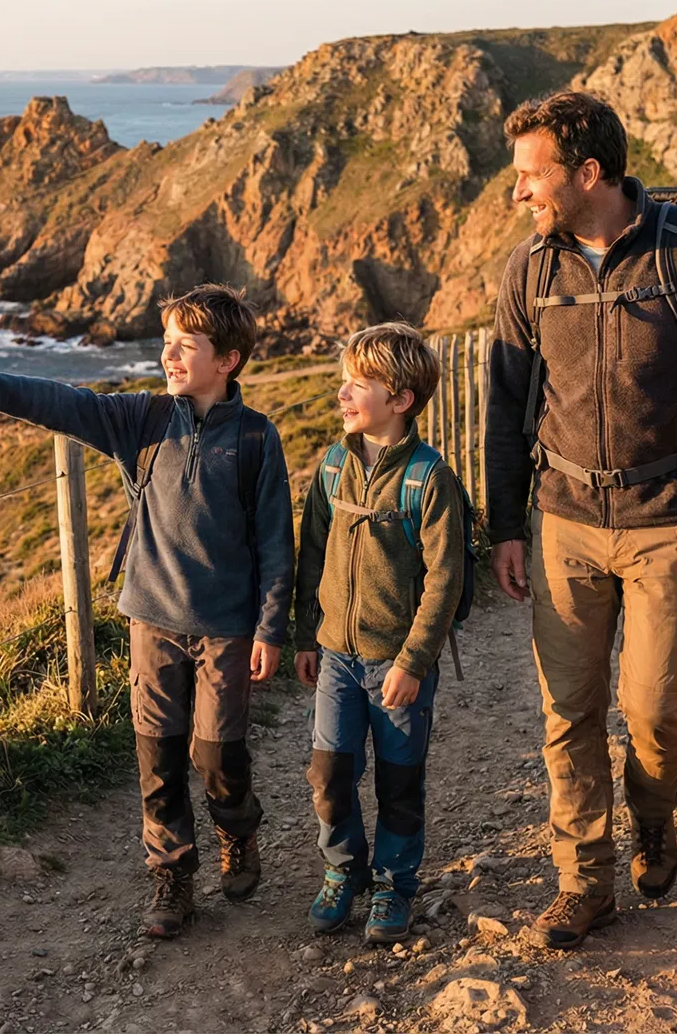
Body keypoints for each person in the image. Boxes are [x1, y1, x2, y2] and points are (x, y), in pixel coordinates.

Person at [0, 284, 294, 938]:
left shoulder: (257, 438)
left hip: (228, 627)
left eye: (184, 345)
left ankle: (237, 830)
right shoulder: (142, 420)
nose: (167, 354)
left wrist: (270, 627)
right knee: (157, 757)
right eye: (166, 341)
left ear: (227, 359)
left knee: (216, 756)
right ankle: (171, 875)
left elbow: (276, 541)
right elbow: (66, 402)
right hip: (152, 620)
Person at [483, 91, 677, 949]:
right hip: (564, 520)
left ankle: (654, 815)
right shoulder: (529, 270)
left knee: (655, 712)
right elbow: (503, 409)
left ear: (589, 172)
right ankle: (585, 883)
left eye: (531, 176)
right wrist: (506, 527)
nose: (519, 194)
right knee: (567, 713)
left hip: (672, 522)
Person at [292, 323, 468, 944]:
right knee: (328, 772)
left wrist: (413, 662)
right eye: (344, 380)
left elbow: (445, 579)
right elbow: (311, 550)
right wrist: (305, 636)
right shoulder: (334, 463)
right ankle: (345, 870)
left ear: (400, 400)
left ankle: (395, 883)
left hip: (397, 663)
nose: (343, 393)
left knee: (399, 780)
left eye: (358, 384)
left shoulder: (428, 478)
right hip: (337, 657)